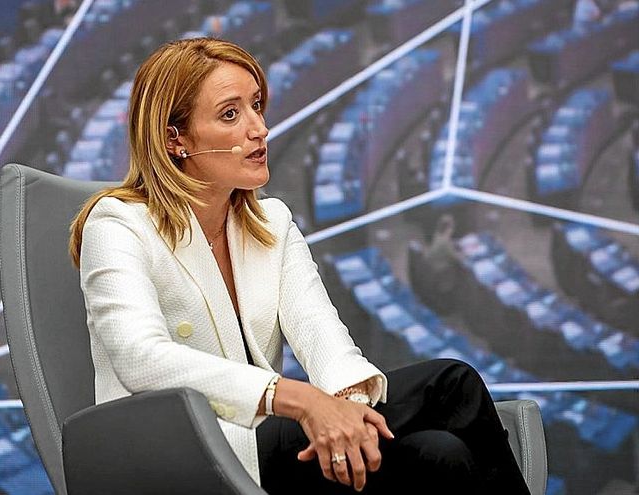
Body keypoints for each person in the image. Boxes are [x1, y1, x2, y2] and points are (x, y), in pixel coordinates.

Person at [69, 38, 530, 494]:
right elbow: (140, 357)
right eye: (231, 114)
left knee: (441, 453)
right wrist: (299, 400)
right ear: (175, 139)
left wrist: (346, 408)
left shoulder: (272, 222)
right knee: (452, 386)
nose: (259, 129)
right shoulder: (117, 224)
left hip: (264, 444)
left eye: (256, 106)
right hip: (175, 452)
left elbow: (321, 335)